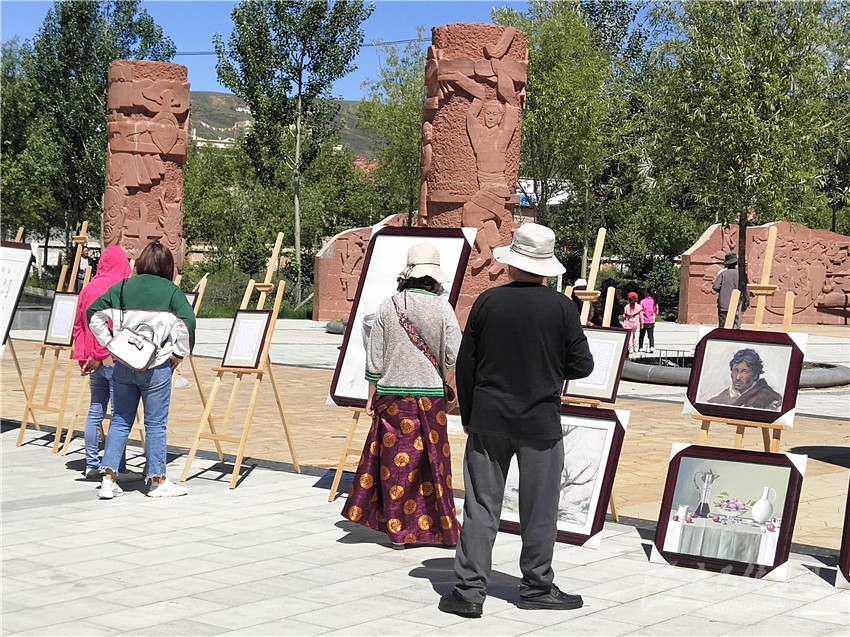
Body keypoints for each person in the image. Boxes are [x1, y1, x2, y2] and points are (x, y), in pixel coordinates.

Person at [438, 223, 593, 619]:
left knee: (481, 506)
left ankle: (469, 592)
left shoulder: (487, 303)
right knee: (540, 508)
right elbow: (583, 365)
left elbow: (466, 365)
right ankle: (537, 586)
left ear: (511, 264)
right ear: (546, 269)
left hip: (489, 418)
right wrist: (550, 364)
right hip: (540, 421)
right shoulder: (562, 308)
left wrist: (469, 416)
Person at [342, 242, 462, 549]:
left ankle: (397, 532)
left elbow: (375, 358)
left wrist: (371, 395)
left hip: (393, 398)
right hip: (431, 398)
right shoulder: (443, 308)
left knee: (396, 465)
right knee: (433, 463)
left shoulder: (388, 306)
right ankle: (440, 530)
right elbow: (454, 355)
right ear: (434, 277)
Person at [88, 241, 196, 499]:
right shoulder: (171, 292)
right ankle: (158, 481)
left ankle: (108, 480)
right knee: (155, 423)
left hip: (124, 364)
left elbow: (94, 314)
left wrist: (111, 344)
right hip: (156, 366)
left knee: (120, 419)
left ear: (141, 262)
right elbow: (188, 323)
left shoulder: (123, 287)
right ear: (168, 266)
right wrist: (179, 353)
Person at [72, 245, 140, 481]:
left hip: (93, 362)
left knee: (95, 411)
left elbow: (79, 326)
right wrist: (100, 354)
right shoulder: (120, 288)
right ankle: (116, 467)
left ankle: (91, 463)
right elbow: (113, 329)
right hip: (113, 359)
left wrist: (85, 357)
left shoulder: (88, 288)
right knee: (119, 415)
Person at [708, 348, 782, 410]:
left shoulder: (767, 396)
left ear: (755, 375)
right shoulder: (720, 398)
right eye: (735, 371)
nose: (738, 378)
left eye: (744, 371)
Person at [712, 252, 749, 329]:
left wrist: (723, 290)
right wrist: (747, 301)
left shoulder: (722, 274)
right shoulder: (742, 274)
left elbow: (715, 287)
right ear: (736, 263)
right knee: (736, 326)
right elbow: (746, 289)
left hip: (724, 304)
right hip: (737, 304)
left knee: (723, 326)